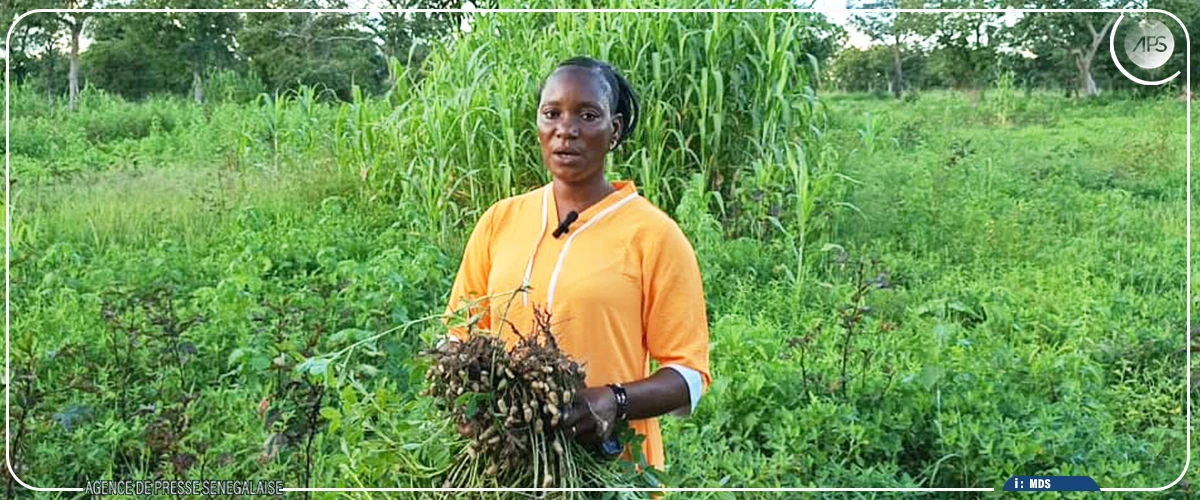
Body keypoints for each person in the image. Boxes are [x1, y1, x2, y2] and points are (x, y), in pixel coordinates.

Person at [443, 56, 711, 473]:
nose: (565, 130)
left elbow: (689, 376)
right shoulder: (501, 220)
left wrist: (614, 400)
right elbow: (459, 331)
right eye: (552, 114)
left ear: (615, 129)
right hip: (506, 461)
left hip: (610, 471)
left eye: (588, 116)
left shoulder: (653, 235)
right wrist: (464, 391)